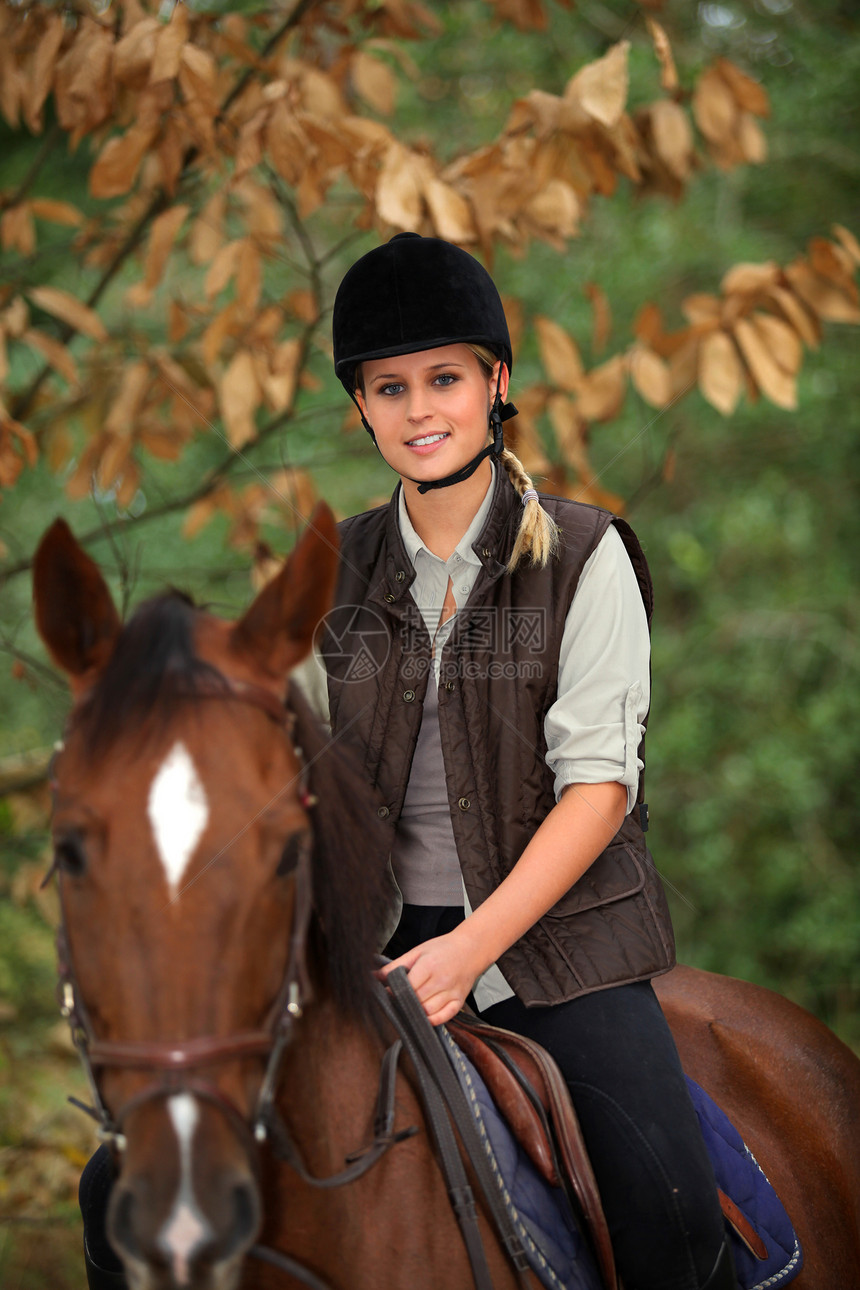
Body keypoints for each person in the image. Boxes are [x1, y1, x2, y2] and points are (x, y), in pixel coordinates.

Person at [311, 231, 737, 1290]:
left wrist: (467, 953)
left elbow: (596, 791)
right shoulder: (329, 572)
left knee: (668, 1206)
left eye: (444, 379)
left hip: (553, 956)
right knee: (127, 1187)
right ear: (360, 407)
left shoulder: (588, 559)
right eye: (390, 386)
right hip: (367, 948)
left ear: (495, 384)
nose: (419, 411)